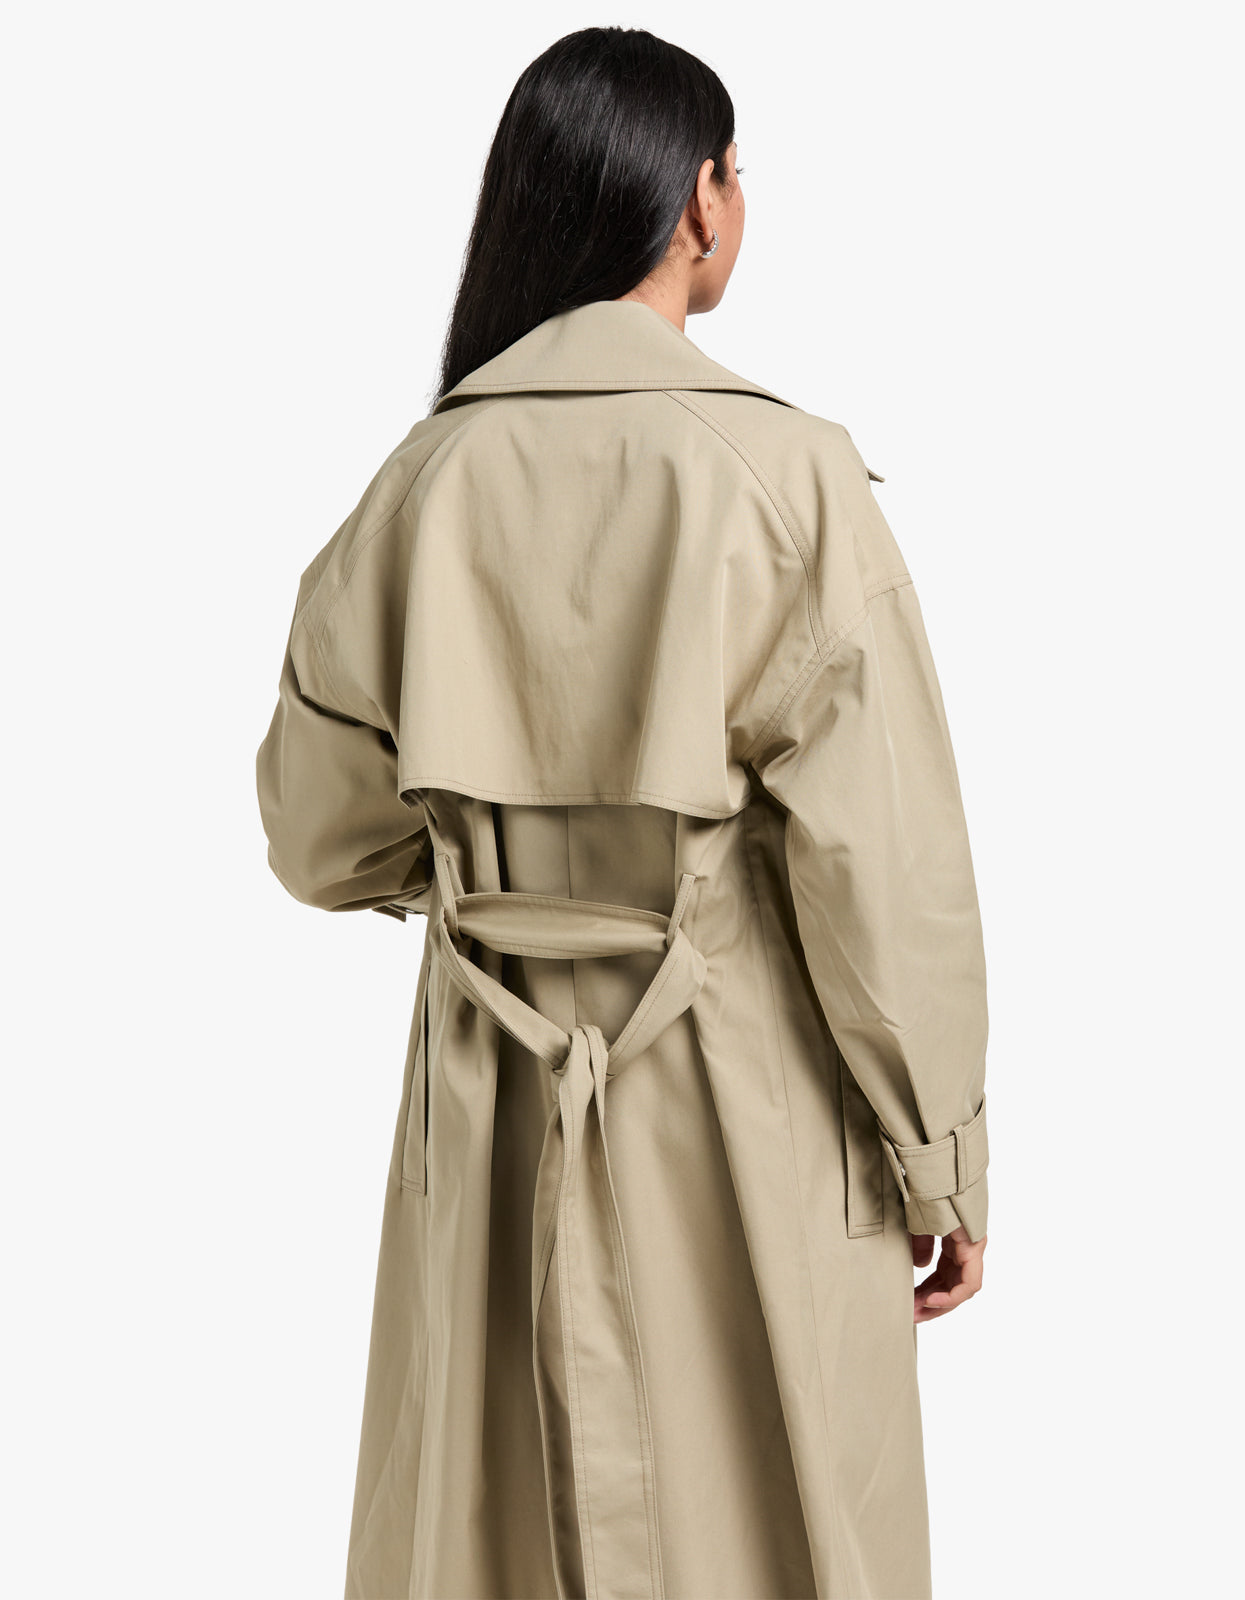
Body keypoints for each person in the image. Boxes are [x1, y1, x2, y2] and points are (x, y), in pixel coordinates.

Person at [255, 24, 989, 1600]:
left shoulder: (417, 483)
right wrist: (941, 1159)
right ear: (698, 200)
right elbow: (887, 875)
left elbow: (317, 840)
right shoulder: (786, 478)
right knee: (777, 1525)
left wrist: (489, 871)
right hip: (745, 1117)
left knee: (491, 1532)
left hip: (491, 1110)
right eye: (737, 172)